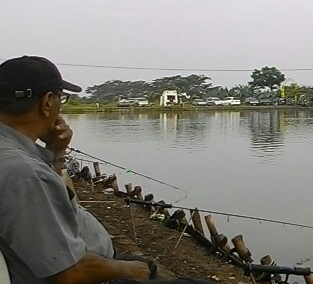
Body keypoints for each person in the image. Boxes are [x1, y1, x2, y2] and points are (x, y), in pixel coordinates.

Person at [0, 57, 213, 283]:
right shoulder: (25, 173)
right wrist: (129, 269)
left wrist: (56, 153)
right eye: (61, 97)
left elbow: (67, 204)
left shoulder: (16, 156)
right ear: (47, 103)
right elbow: (70, 272)